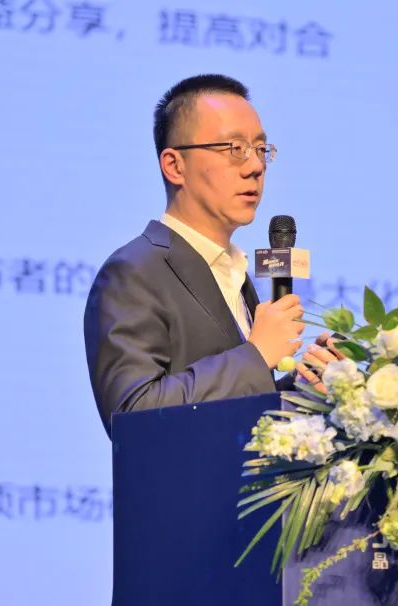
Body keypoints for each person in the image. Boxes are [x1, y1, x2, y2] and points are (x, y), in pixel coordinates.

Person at [83, 74, 336, 438]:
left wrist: (303, 388)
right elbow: (132, 416)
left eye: (260, 149)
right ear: (175, 166)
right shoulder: (134, 272)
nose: (255, 166)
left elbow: (231, 414)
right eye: (234, 149)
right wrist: (256, 355)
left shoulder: (233, 273)